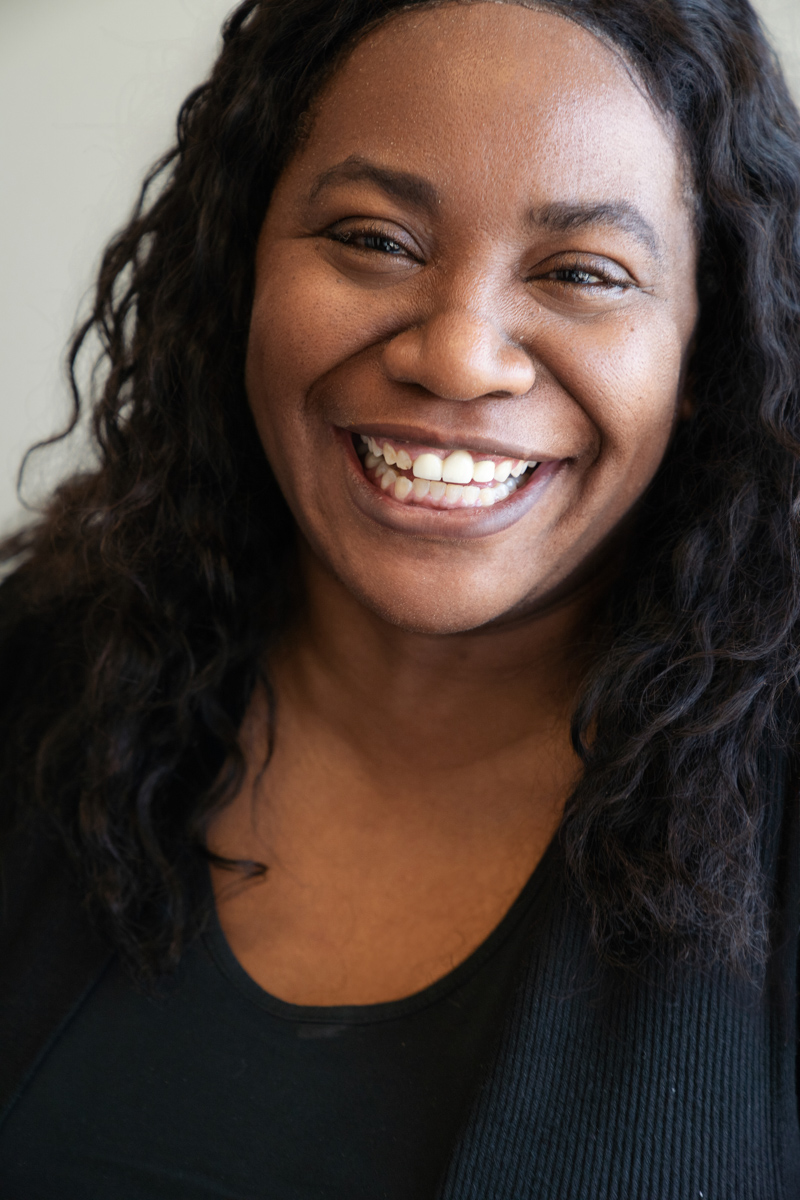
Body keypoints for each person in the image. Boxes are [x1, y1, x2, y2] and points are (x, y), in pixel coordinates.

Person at [0, 0, 798, 1195]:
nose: (457, 354)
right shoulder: (32, 676)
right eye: (375, 240)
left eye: (582, 272)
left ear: (705, 346)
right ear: (241, 263)